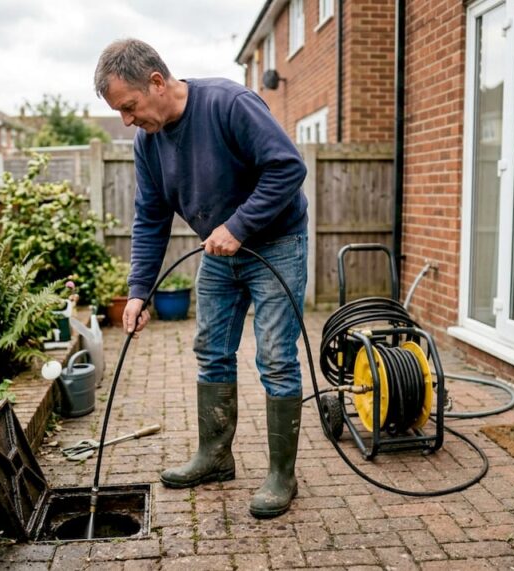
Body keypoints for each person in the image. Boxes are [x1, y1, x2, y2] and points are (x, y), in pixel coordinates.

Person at [94, 39, 309, 519]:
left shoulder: (229, 104)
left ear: (156, 81)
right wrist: (139, 292)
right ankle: (215, 456)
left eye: (129, 106)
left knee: (276, 358)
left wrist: (239, 226)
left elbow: (287, 168)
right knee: (211, 351)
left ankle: (282, 475)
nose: (127, 120)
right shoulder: (148, 143)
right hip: (218, 252)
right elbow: (151, 217)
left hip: (276, 243)